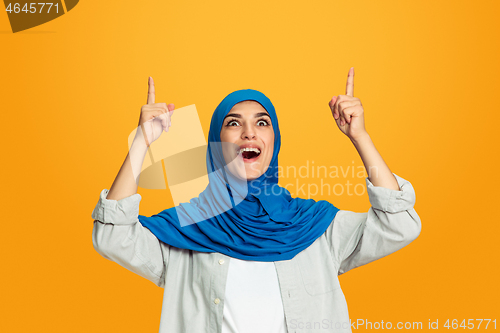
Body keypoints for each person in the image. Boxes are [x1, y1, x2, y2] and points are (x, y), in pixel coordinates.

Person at [92, 67, 421, 333]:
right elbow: (112, 236)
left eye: (262, 122)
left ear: (273, 140)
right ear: (216, 144)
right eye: (233, 123)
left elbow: (399, 225)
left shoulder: (316, 227)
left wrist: (359, 136)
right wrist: (141, 143)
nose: (249, 132)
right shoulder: (188, 227)